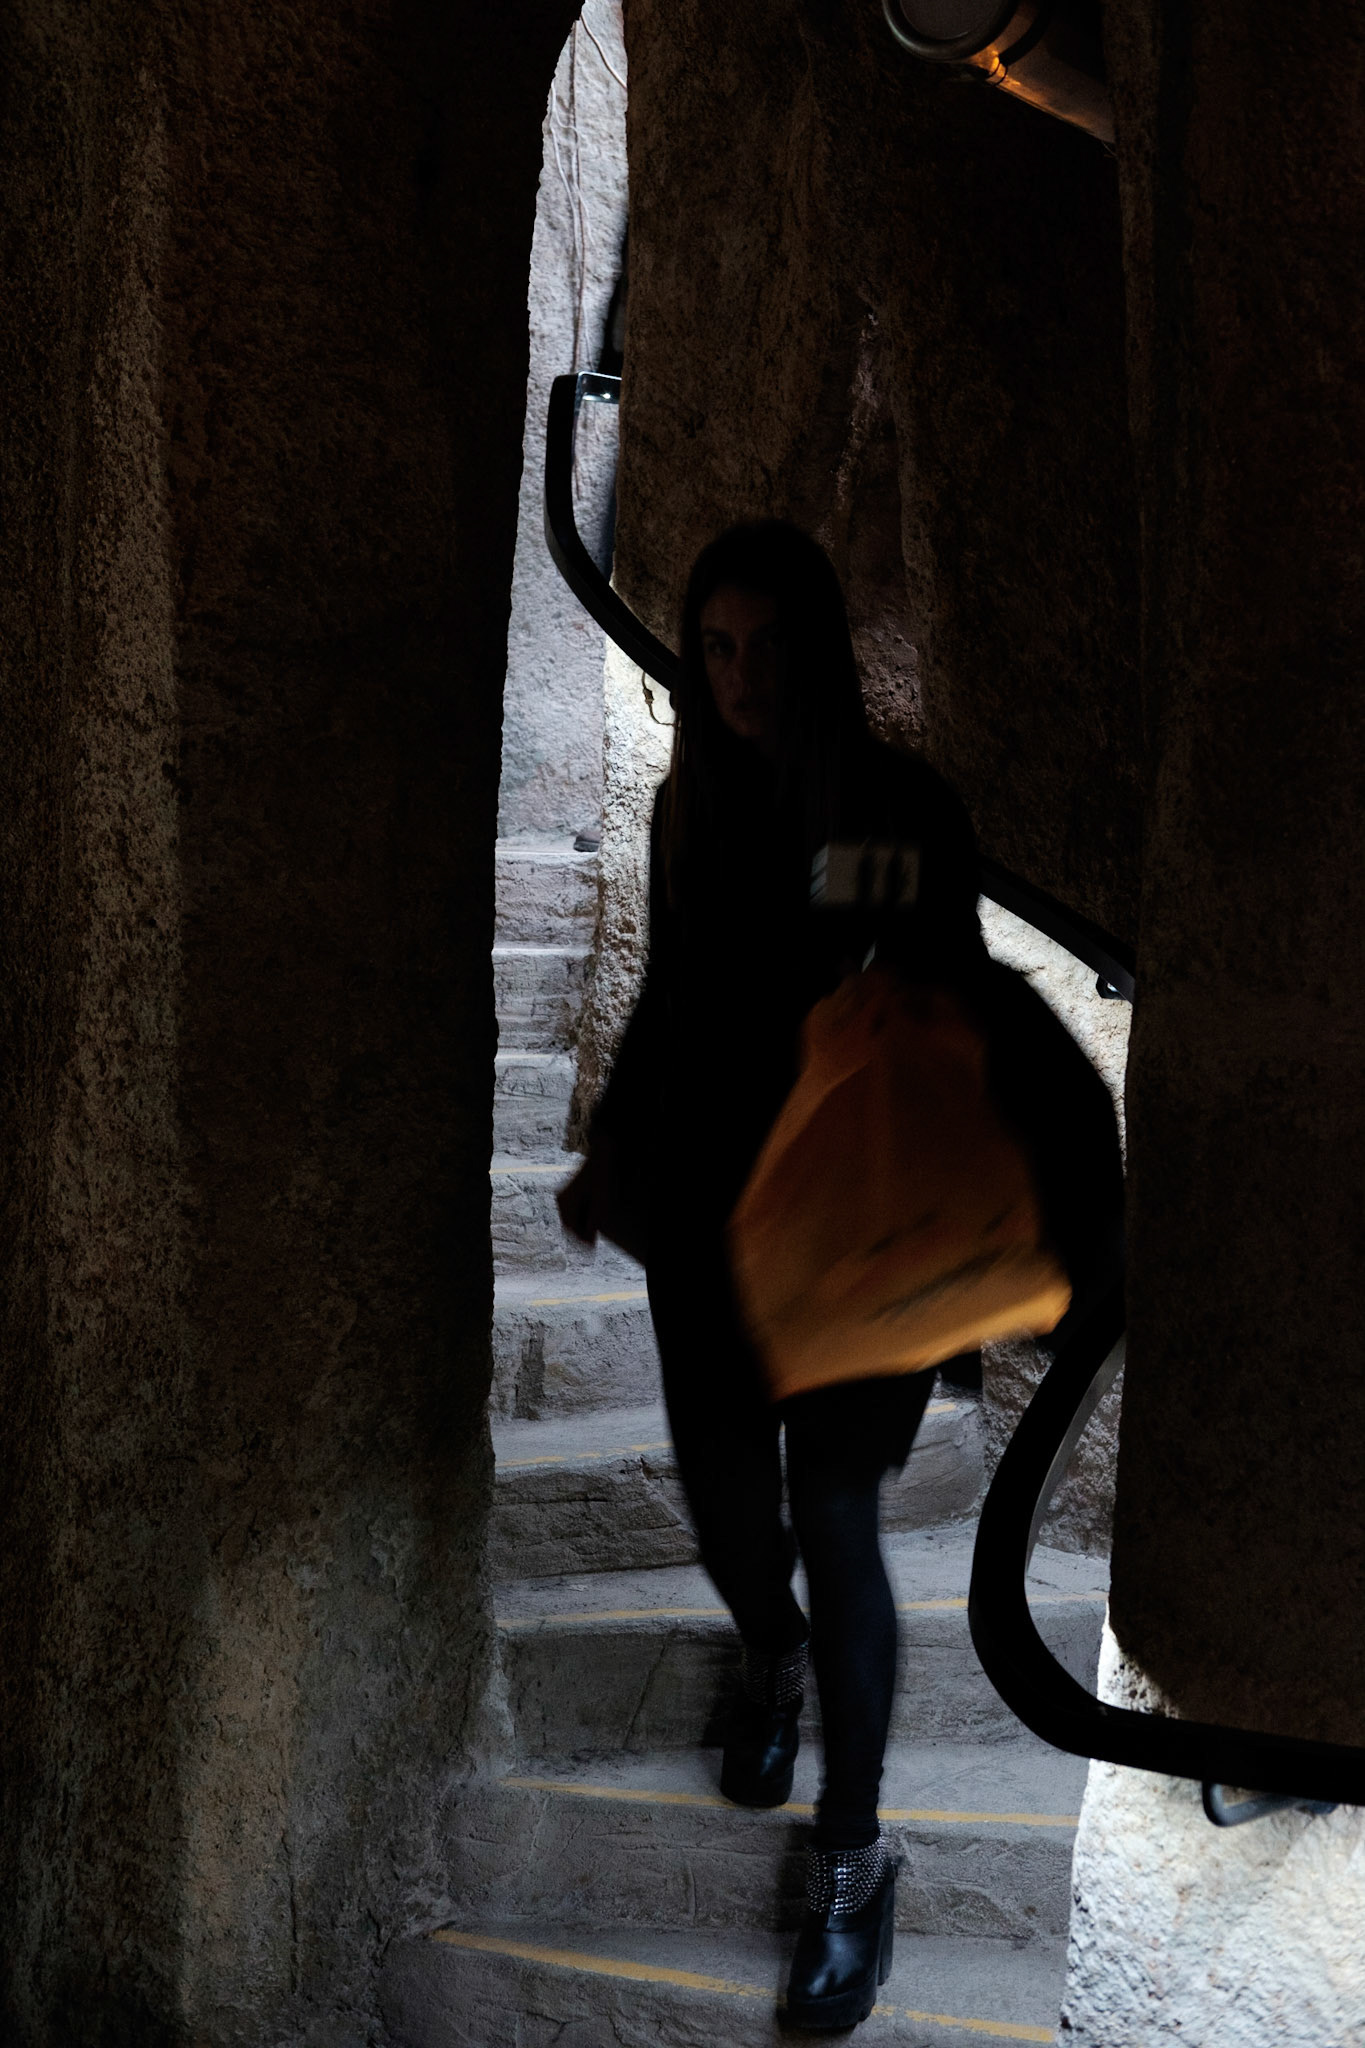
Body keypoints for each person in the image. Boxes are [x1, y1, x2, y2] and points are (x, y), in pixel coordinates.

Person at [557, 520, 1121, 2032]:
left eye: (767, 645)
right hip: (708, 1230)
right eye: (716, 646)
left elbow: (939, 998)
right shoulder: (691, 806)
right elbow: (674, 993)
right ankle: (770, 1652)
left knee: (835, 1515)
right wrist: (613, 1136)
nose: (740, 675)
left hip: (855, 1240)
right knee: (735, 1526)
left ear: (815, 648)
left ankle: (853, 1857)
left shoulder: (893, 805)